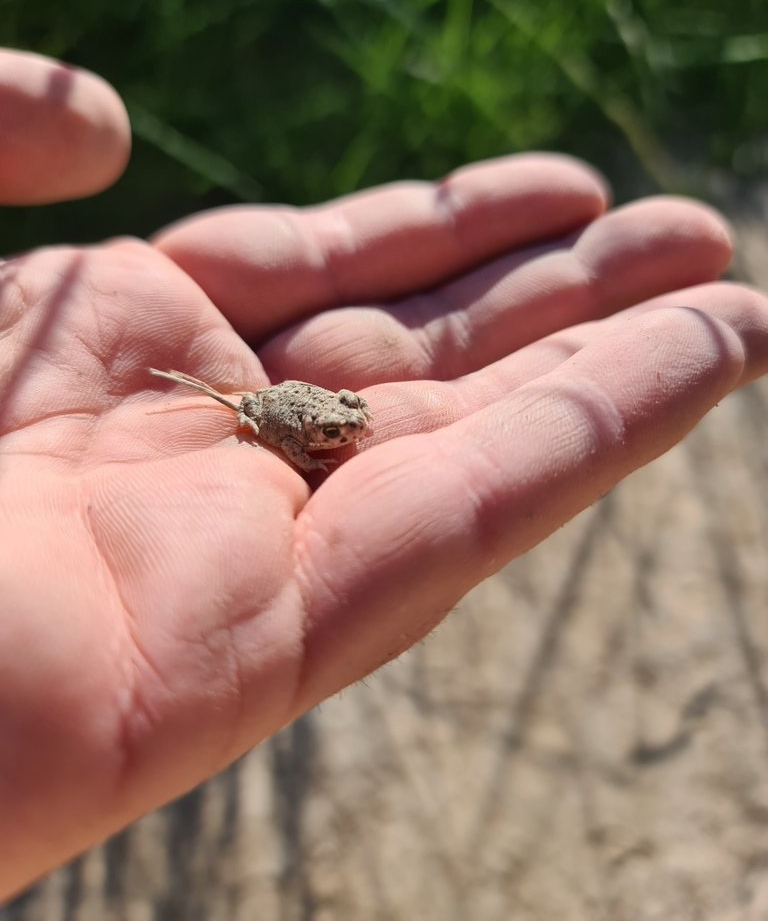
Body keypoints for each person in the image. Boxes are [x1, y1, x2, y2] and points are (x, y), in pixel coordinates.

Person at [1, 47, 766, 900]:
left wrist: (334, 420)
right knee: (249, 410)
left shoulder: (338, 416)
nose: (346, 433)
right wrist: (283, 431)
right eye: (339, 426)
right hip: (260, 412)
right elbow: (287, 424)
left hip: (280, 397)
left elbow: (332, 413)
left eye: (345, 424)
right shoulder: (286, 426)